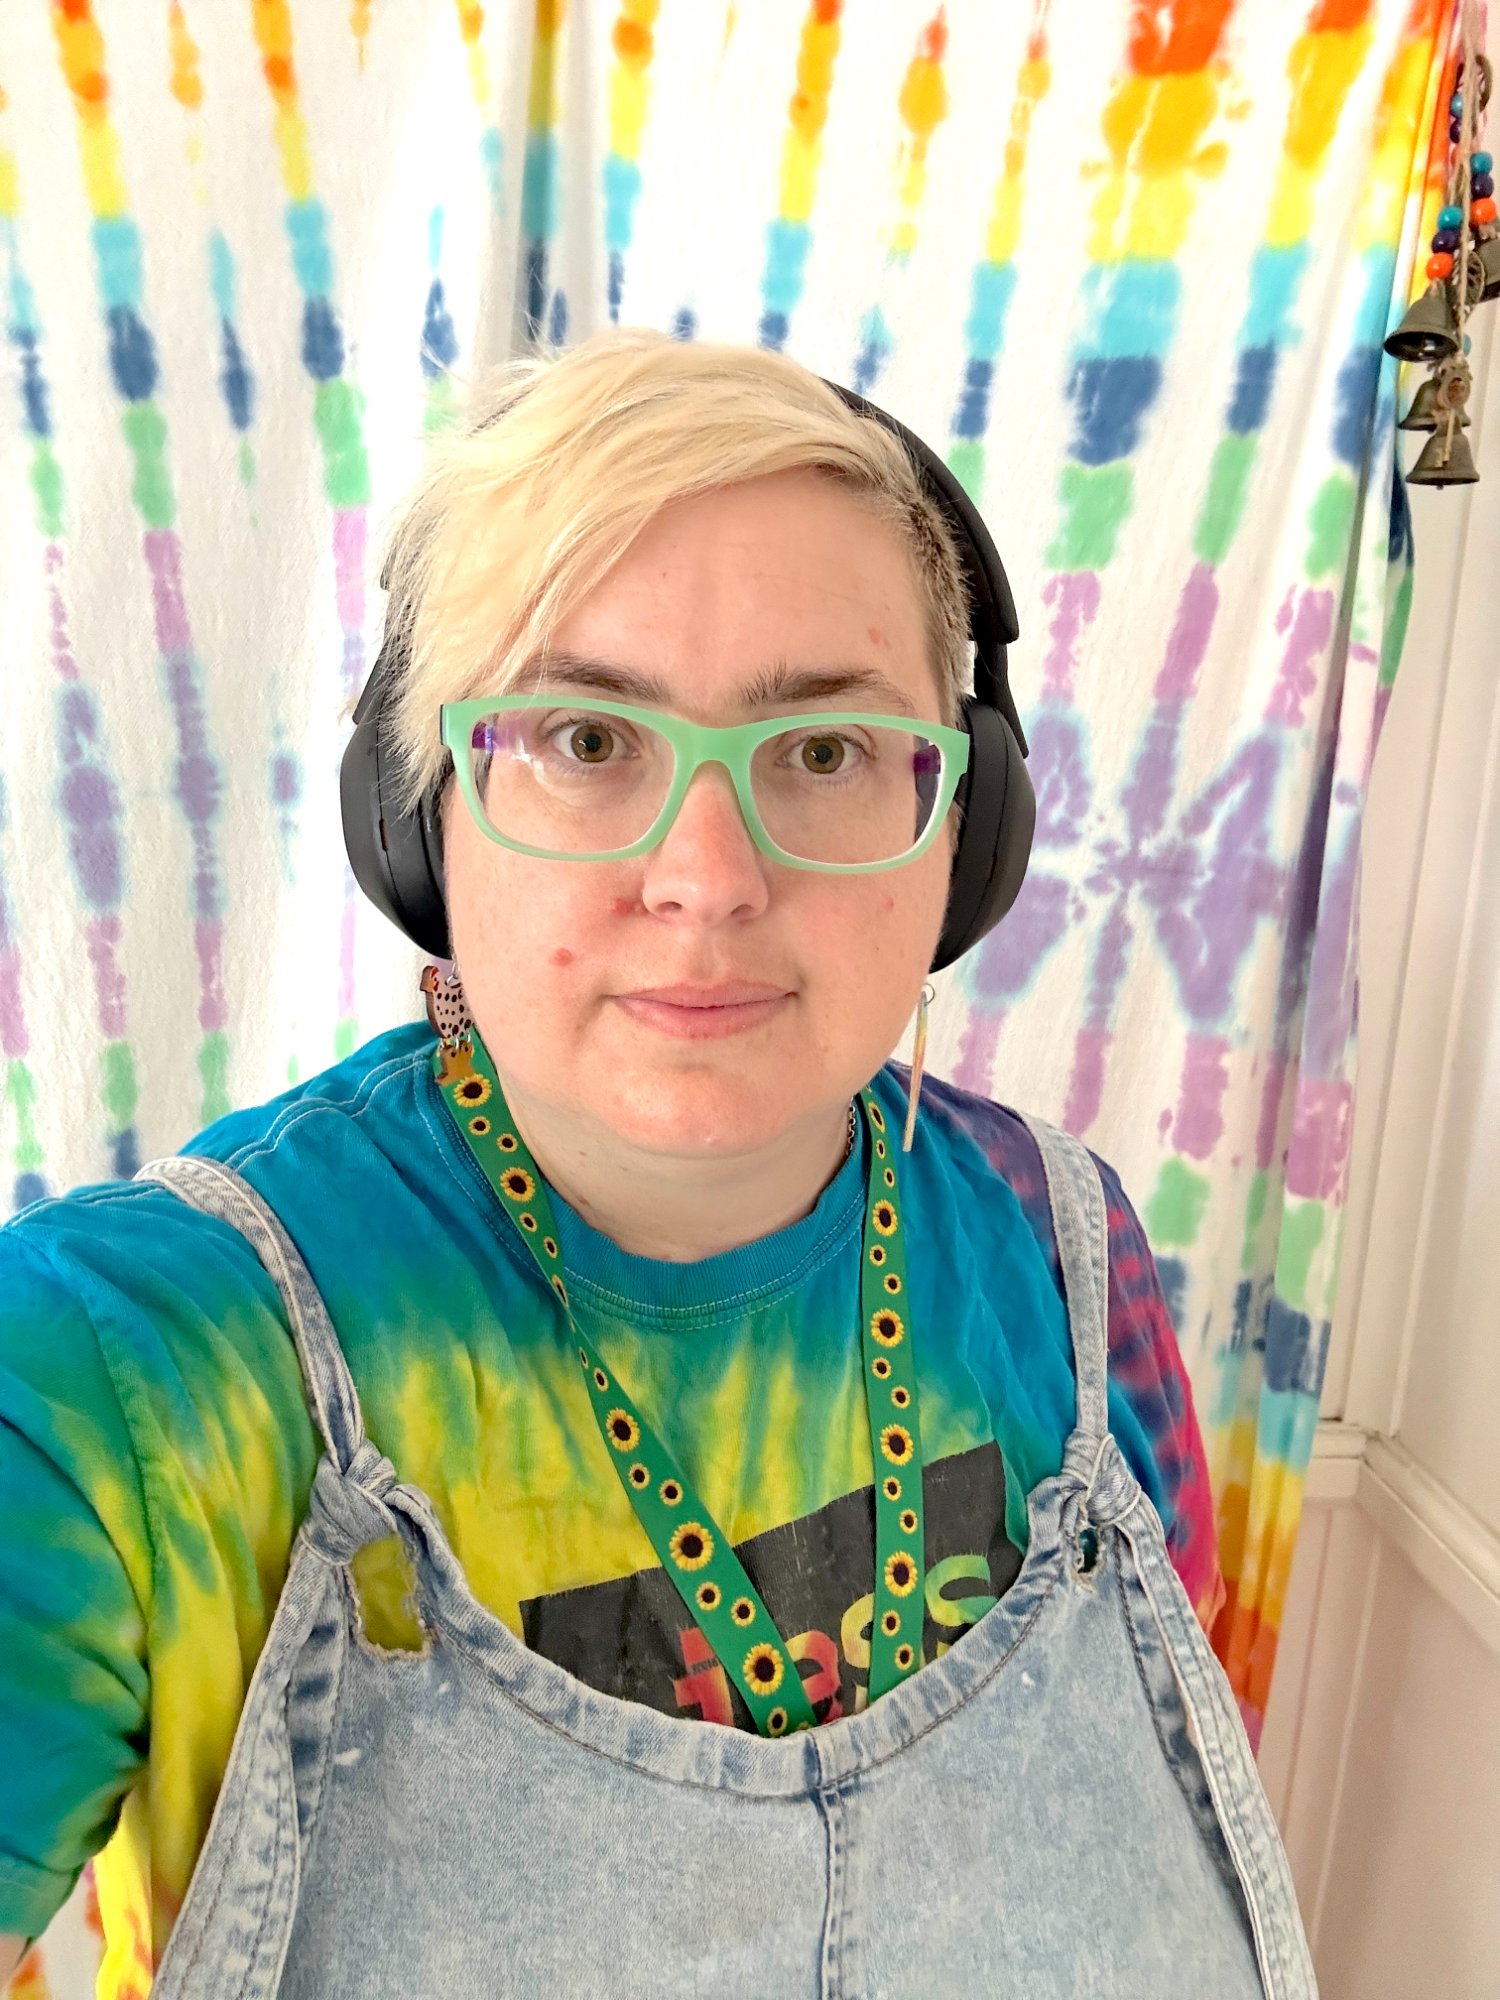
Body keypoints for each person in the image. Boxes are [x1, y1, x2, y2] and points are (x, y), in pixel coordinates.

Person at [0, 328, 1316, 1996]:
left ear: (966, 832)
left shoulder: (1070, 1260)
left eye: (824, 753)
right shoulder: (119, 1373)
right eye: (584, 740)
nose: (706, 878)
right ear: (421, 813)